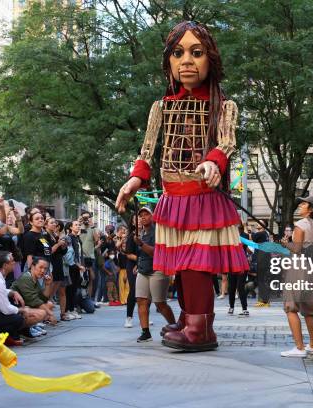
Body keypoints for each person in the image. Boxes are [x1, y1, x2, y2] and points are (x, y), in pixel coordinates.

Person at [115, 21, 249, 351]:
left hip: (203, 198)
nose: (186, 61)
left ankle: (199, 329)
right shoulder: (161, 107)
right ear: (169, 62)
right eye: (178, 53)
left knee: (195, 264)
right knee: (181, 266)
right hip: (173, 197)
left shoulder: (224, 106)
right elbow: (148, 150)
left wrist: (214, 162)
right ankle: (191, 317)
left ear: (210, 60)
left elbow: (227, 142)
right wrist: (135, 177)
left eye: (196, 52)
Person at [280, 196, 313, 358]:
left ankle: (299, 347)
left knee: (291, 307)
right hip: (312, 269)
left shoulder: (300, 225)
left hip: (298, 268)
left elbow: (296, 249)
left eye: (304, 203)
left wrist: (285, 243)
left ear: (311, 209)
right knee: (308, 310)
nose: (300, 205)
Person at [133, 207, 176, 342]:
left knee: (159, 303)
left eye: (147, 214)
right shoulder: (141, 233)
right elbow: (139, 253)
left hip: (157, 269)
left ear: (153, 216)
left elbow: (156, 253)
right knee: (141, 300)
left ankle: (174, 326)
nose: (143, 217)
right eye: (141, 215)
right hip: (143, 269)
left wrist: (141, 244)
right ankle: (145, 332)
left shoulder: (158, 232)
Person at [10, 257, 57, 325]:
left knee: (49, 304)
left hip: (26, 304)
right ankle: (25, 329)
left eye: (45, 268)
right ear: (32, 266)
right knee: (42, 312)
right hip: (15, 307)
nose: (43, 271)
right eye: (40, 267)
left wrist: (47, 285)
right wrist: (51, 314)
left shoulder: (34, 279)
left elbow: (43, 299)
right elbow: (34, 300)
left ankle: (33, 326)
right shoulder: (26, 278)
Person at [45, 218, 69, 319]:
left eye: (55, 223)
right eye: (51, 223)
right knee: (49, 291)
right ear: (46, 225)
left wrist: (63, 246)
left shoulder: (55, 235)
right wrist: (59, 244)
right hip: (51, 264)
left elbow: (62, 251)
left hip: (59, 263)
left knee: (56, 289)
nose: (54, 224)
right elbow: (49, 251)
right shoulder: (45, 236)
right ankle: (47, 316)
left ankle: (59, 314)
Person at [63, 220, 84, 320]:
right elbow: (70, 254)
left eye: (79, 225)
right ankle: (67, 310)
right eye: (76, 225)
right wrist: (78, 265)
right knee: (69, 289)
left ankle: (72, 309)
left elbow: (79, 253)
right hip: (71, 266)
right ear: (70, 227)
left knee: (74, 289)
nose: (78, 226)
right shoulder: (69, 238)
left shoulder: (77, 238)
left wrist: (81, 265)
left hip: (77, 267)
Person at [227, 223, 249, 316]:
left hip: (242, 265)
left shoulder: (244, 236)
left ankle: (244, 309)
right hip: (232, 264)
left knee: (240, 287)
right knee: (231, 287)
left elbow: (250, 246)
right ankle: (231, 307)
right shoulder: (229, 237)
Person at [123, 215, 138, 328]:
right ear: (133, 223)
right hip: (132, 266)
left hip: (145, 265)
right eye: (137, 218)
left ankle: (145, 316)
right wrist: (139, 261)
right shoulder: (132, 236)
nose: (140, 219)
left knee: (146, 293)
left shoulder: (149, 234)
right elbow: (128, 254)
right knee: (134, 290)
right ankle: (129, 317)